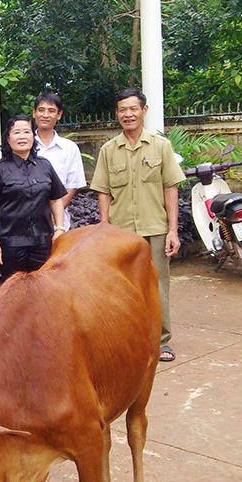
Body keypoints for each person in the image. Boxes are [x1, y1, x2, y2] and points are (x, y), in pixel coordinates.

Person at [90, 88, 185, 363]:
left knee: (157, 286)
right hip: (120, 234)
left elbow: (171, 189)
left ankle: (161, 342)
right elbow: (104, 192)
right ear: (117, 113)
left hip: (155, 228)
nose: (127, 114)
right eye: (122, 110)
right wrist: (104, 228)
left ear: (144, 110)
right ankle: (124, 341)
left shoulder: (160, 146)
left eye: (133, 109)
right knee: (120, 289)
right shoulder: (109, 150)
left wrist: (172, 230)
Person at [0, 115, 67, 280]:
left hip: (42, 242)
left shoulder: (45, 166)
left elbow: (56, 199)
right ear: (8, 138)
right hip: (11, 244)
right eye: (16, 132)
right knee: (15, 293)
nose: (22, 136)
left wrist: (59, 228)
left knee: (44, 289)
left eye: (26, 132)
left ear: (33, 136)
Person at [31, 92, 86, 230]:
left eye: (51, 111)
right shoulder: (25, 145)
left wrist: (55, 212)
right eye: (41, 110)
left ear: (59, 115)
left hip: (59, 222)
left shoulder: (69, 148)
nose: (45, 115)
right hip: (27, 221)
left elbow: (72, 185)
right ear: (34, 113)